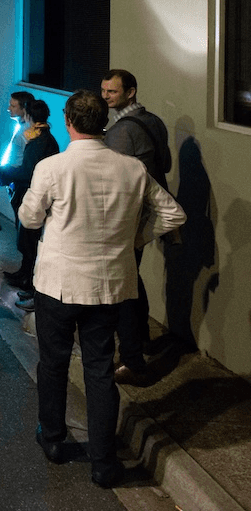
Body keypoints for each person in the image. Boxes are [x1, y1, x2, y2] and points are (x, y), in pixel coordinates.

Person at [19, 89, 185, 489]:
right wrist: (136, 239)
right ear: (104, 123)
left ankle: (54, 439)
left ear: (68, 121)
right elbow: (173, 214)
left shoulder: (52, 167)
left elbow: (28, 219)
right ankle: (104, 462)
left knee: (54, 364)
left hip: (58, 284)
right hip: (110, 284)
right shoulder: (131, 169)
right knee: (99, 371)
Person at [100, 69, 173, 386]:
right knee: (132, 279)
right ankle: (141, 340)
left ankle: (132, 361)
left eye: (112, 92)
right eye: (103, 91)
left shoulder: (119, 133)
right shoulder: (153, 121)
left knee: (122, 290)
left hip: (128, 219)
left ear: (131, 92)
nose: (106, 97)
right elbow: (166, 163)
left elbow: (110, 182)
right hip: (148, 214)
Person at [0, 100, 60, 311]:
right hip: (33, 192)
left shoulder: (38, 140)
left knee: (29, 239)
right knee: (26, 238)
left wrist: (2, 172)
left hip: (32, 194)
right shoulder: (46, 138)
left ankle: (29, 283)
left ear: (29, 116)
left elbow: (28, 171)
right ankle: (24, 275)